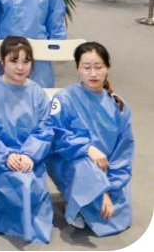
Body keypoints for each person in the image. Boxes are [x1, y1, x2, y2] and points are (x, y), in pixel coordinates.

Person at [47, 42, 134, 236]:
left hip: (107, 169)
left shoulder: (118, 105)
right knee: (83, 166)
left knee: (118, 215)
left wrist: (110, 184)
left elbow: (124, 151)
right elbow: (55, 135)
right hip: (73, 161)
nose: (93, 73)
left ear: (108, 67)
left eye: (98, 67)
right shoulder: (64, 99)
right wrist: (87, 149)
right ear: (77, 69)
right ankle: (83, 199)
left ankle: (94, 196)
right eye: (86, 67)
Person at [0, 37, 53, 244]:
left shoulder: (37, 93)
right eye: (14, 61)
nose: (20, 67)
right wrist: (5, 156)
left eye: (26, 61)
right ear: (2, 62)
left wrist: (29, 155)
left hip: (30, 160)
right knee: (18, 183)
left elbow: (46, 129)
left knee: (28, 182)